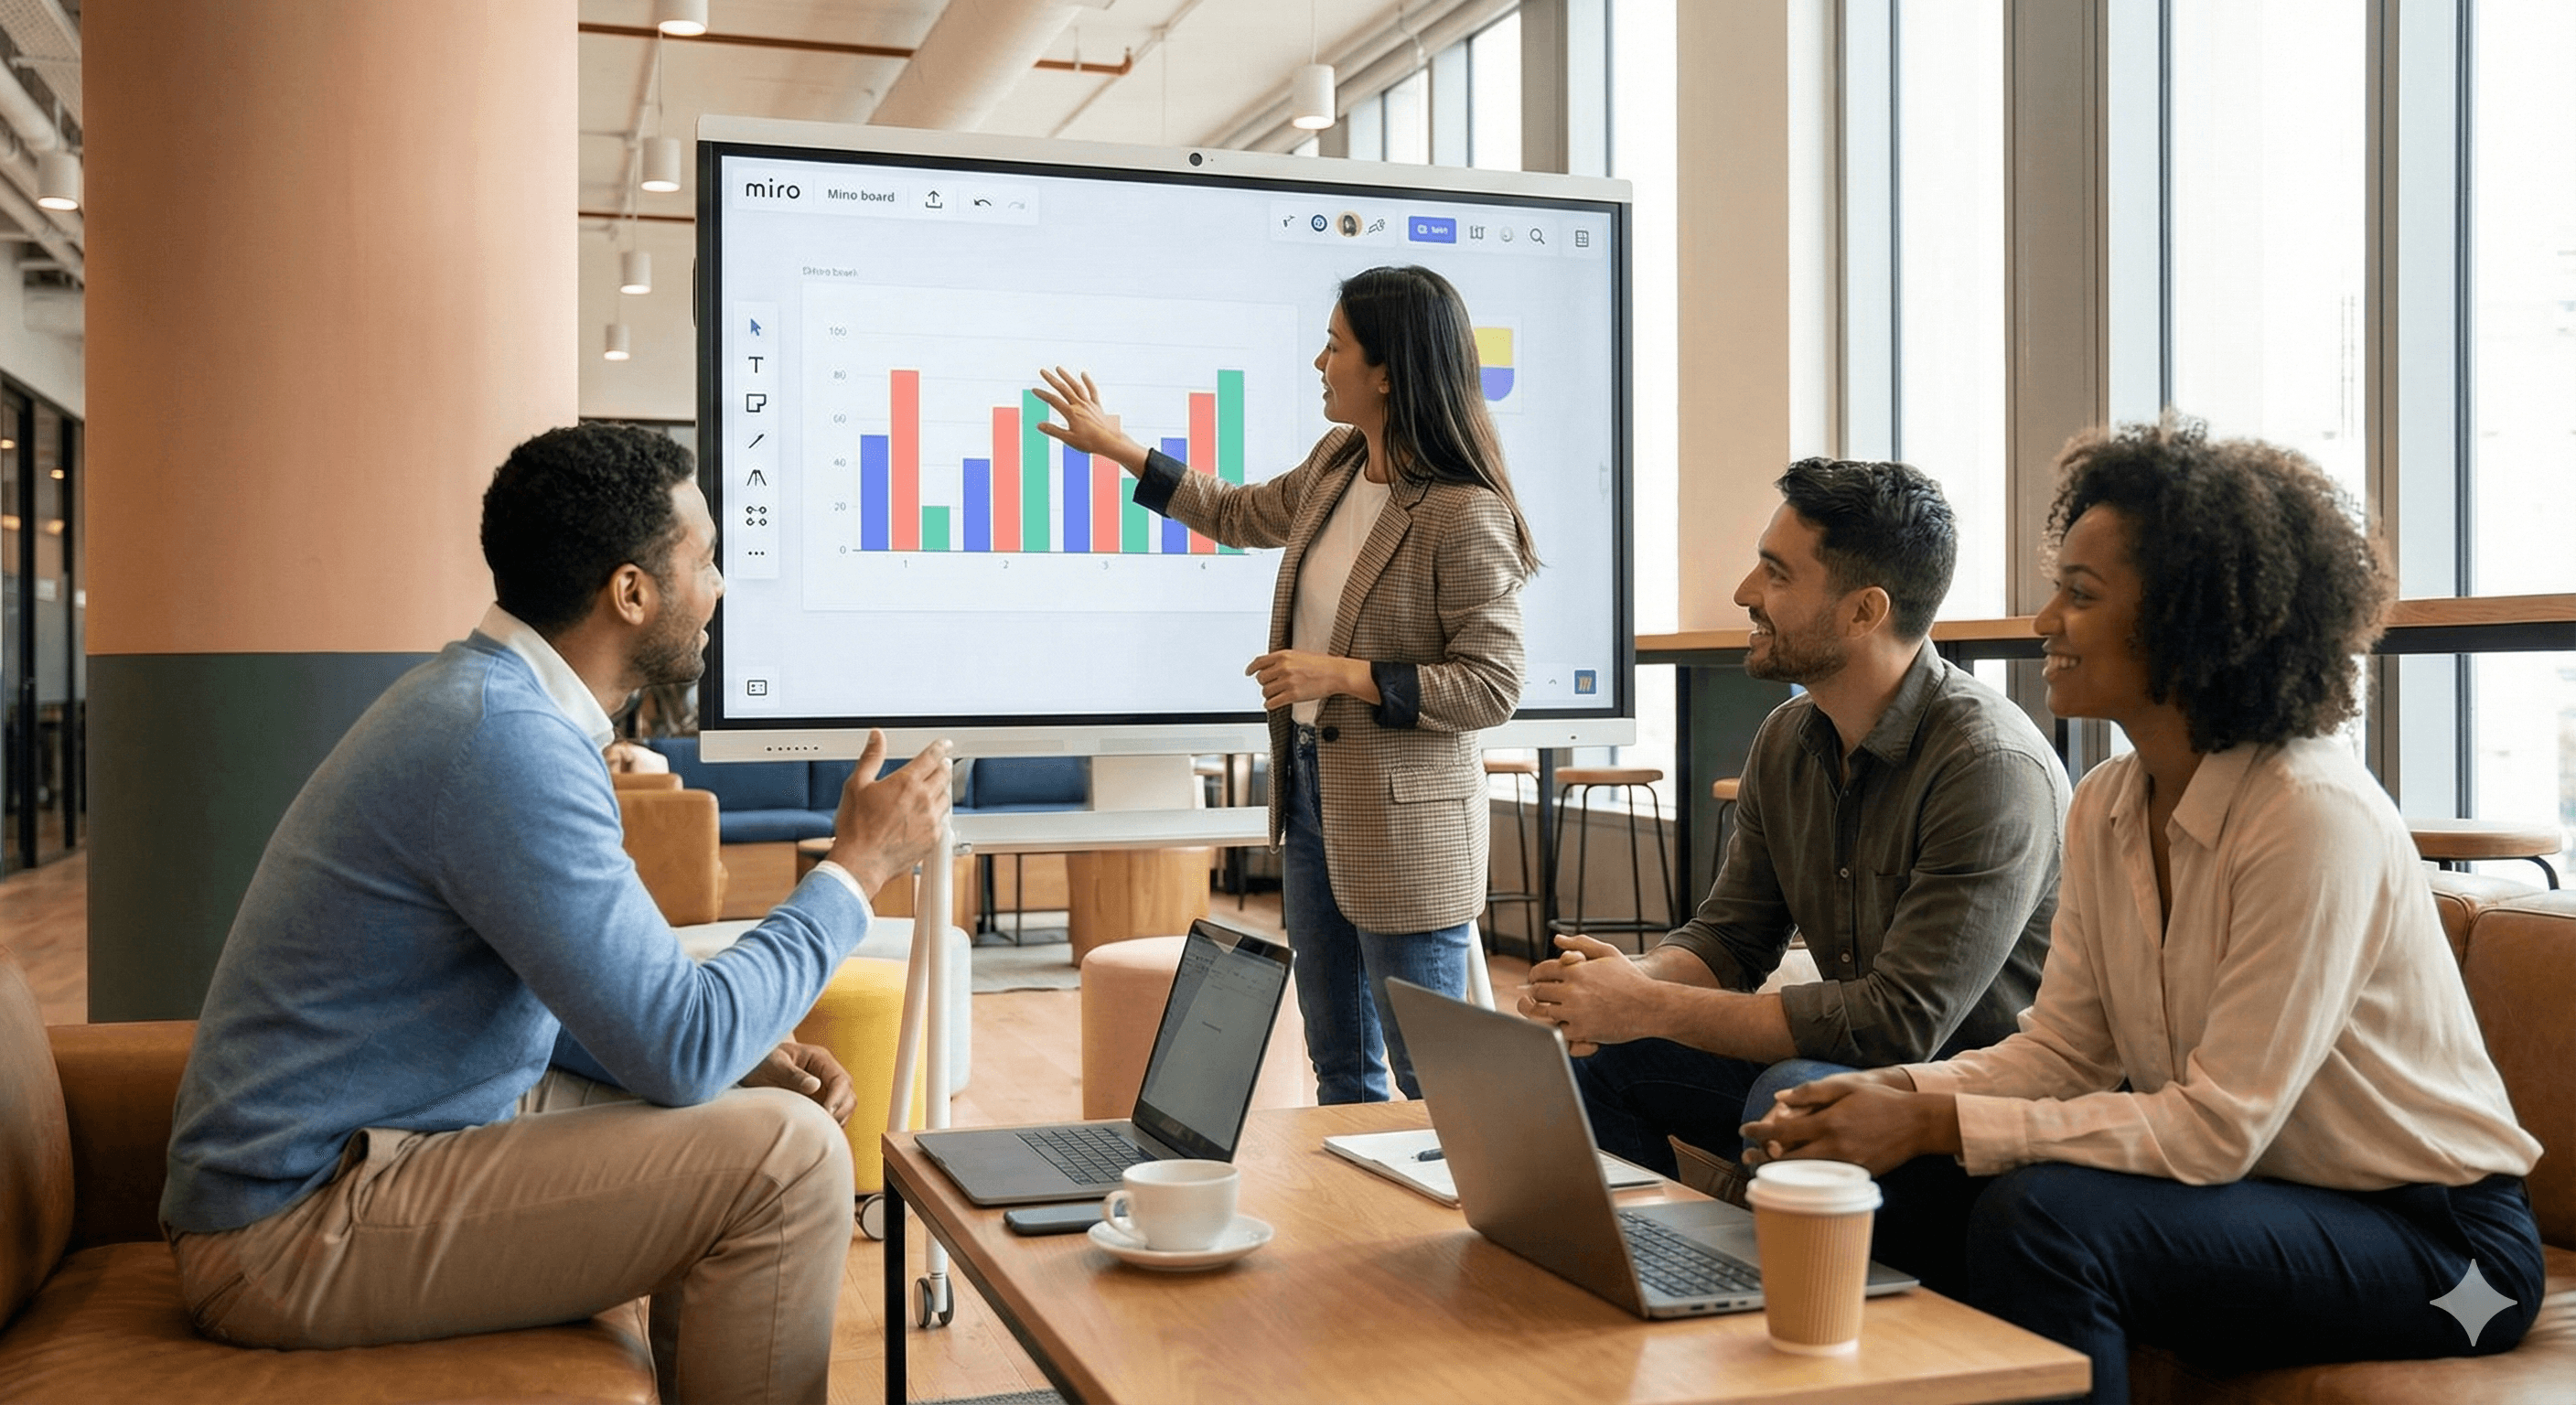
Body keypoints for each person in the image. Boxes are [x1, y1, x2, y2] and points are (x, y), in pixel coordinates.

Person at [1743, 420, 2545, 1403]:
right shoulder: (2109, 802)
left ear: (2188, 620)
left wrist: (1936, 1121)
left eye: (2078, 596)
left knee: (2042, 1218)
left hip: (2448, 1256)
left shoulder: (2307, 813)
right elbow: (2062, 1057)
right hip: (2262, 1201)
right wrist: (1895, 1102)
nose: (2043, 620)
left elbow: (2214, 1131)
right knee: (1826, 1126)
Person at [162, 424, 954, 1405]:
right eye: (703, 560)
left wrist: (747, 1056)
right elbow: (680, 1042)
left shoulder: (491, 707)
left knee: (753, 1105)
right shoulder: (504, 743)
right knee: (783, 1159)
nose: (719, 588)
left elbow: (622, 1008)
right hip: (289, 1231)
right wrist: (856, 868)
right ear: (630, 592)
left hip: (391, 1141)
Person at [1031, 264, 1536, 1102]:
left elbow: (1490, 686)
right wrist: (1118, 446)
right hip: (1310, 793)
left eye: (1335, 347)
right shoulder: (1339, 461)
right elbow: (1239, 512)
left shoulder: (1463, 508)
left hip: (1405, 829)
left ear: (1387, 371)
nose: (1319, 363)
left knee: (1429, 1077)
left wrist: (1342, 675)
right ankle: (1358, 1230)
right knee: (1338, 1061)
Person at [1519, 458, 2067, 1198]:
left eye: (1775, 575)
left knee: (1792, 1090)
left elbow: (1896, 1027)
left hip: (1957, 1097)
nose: (1745, 593)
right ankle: (1649, 1268)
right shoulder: (1787, 738)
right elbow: (1731, 939)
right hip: (1854, 1069)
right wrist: (1620, 986)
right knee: (1588, 1057)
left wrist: (1648, 1005)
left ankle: (1767, 1288)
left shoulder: (1988, 766)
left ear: (1864, 612)